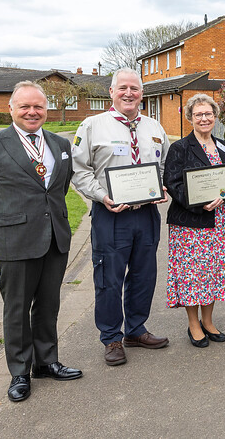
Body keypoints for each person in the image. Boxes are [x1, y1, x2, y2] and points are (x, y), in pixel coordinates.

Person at [0, 81, 81, 402]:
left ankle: (46, 362)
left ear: (46, 109)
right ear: (10, 109)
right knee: (16, 309)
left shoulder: (60, 144)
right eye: (25, 106)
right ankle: (19, 372)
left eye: (38, 106)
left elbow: (58, 187)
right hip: (14, 242)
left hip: (55, 237)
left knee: (48, 304)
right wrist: (2, 222)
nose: (32, 112)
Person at [72, 67, 170, 366]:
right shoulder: (92, 126)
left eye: (135, 88)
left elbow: (165, 164)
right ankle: (112, 337)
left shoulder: (154, 126)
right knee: (108, 279)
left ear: (142, 93)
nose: (129, 93)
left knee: (144, 275)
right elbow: (79, 171)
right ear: (111, 92)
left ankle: (136, 330)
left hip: (147, 214)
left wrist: (162, 185)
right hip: (111, 215)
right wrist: (103, 197)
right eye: (123, 88)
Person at [163, 94, 225, 348]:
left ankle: (208, 321)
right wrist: (198, 203)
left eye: (208, 114)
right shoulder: (180, 148)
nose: (204, 119)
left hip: (219, 222)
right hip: (190, 224)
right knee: (193, 276)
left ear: (215, 117)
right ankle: (193, 324)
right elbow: (172, 183)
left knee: (213, 273)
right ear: (190, 118)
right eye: (198, 114)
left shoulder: (223, 145)